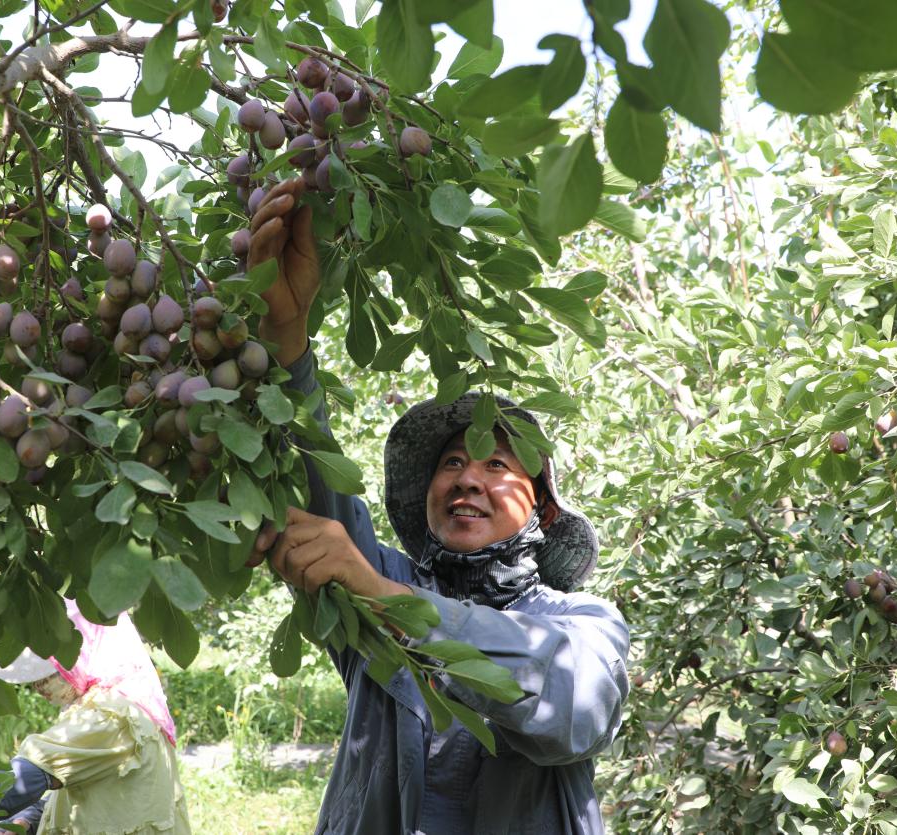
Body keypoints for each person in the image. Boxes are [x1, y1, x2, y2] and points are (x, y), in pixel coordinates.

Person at [244, 176, 631, 834]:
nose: (467, 479)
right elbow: (319, 492)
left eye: (496, 465)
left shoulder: (584, 622)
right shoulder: (383, 582)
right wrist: (287, 338)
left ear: (542, 510)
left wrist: (389, 602)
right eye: (451, 463)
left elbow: (576, 712)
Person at [0, 599, 190, 835]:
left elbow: (32, 773)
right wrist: (29, 818)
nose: (39, 686)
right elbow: (89, 792)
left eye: (50, 672)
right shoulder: (119, 702)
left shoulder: (113, 716)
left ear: (86, 653)